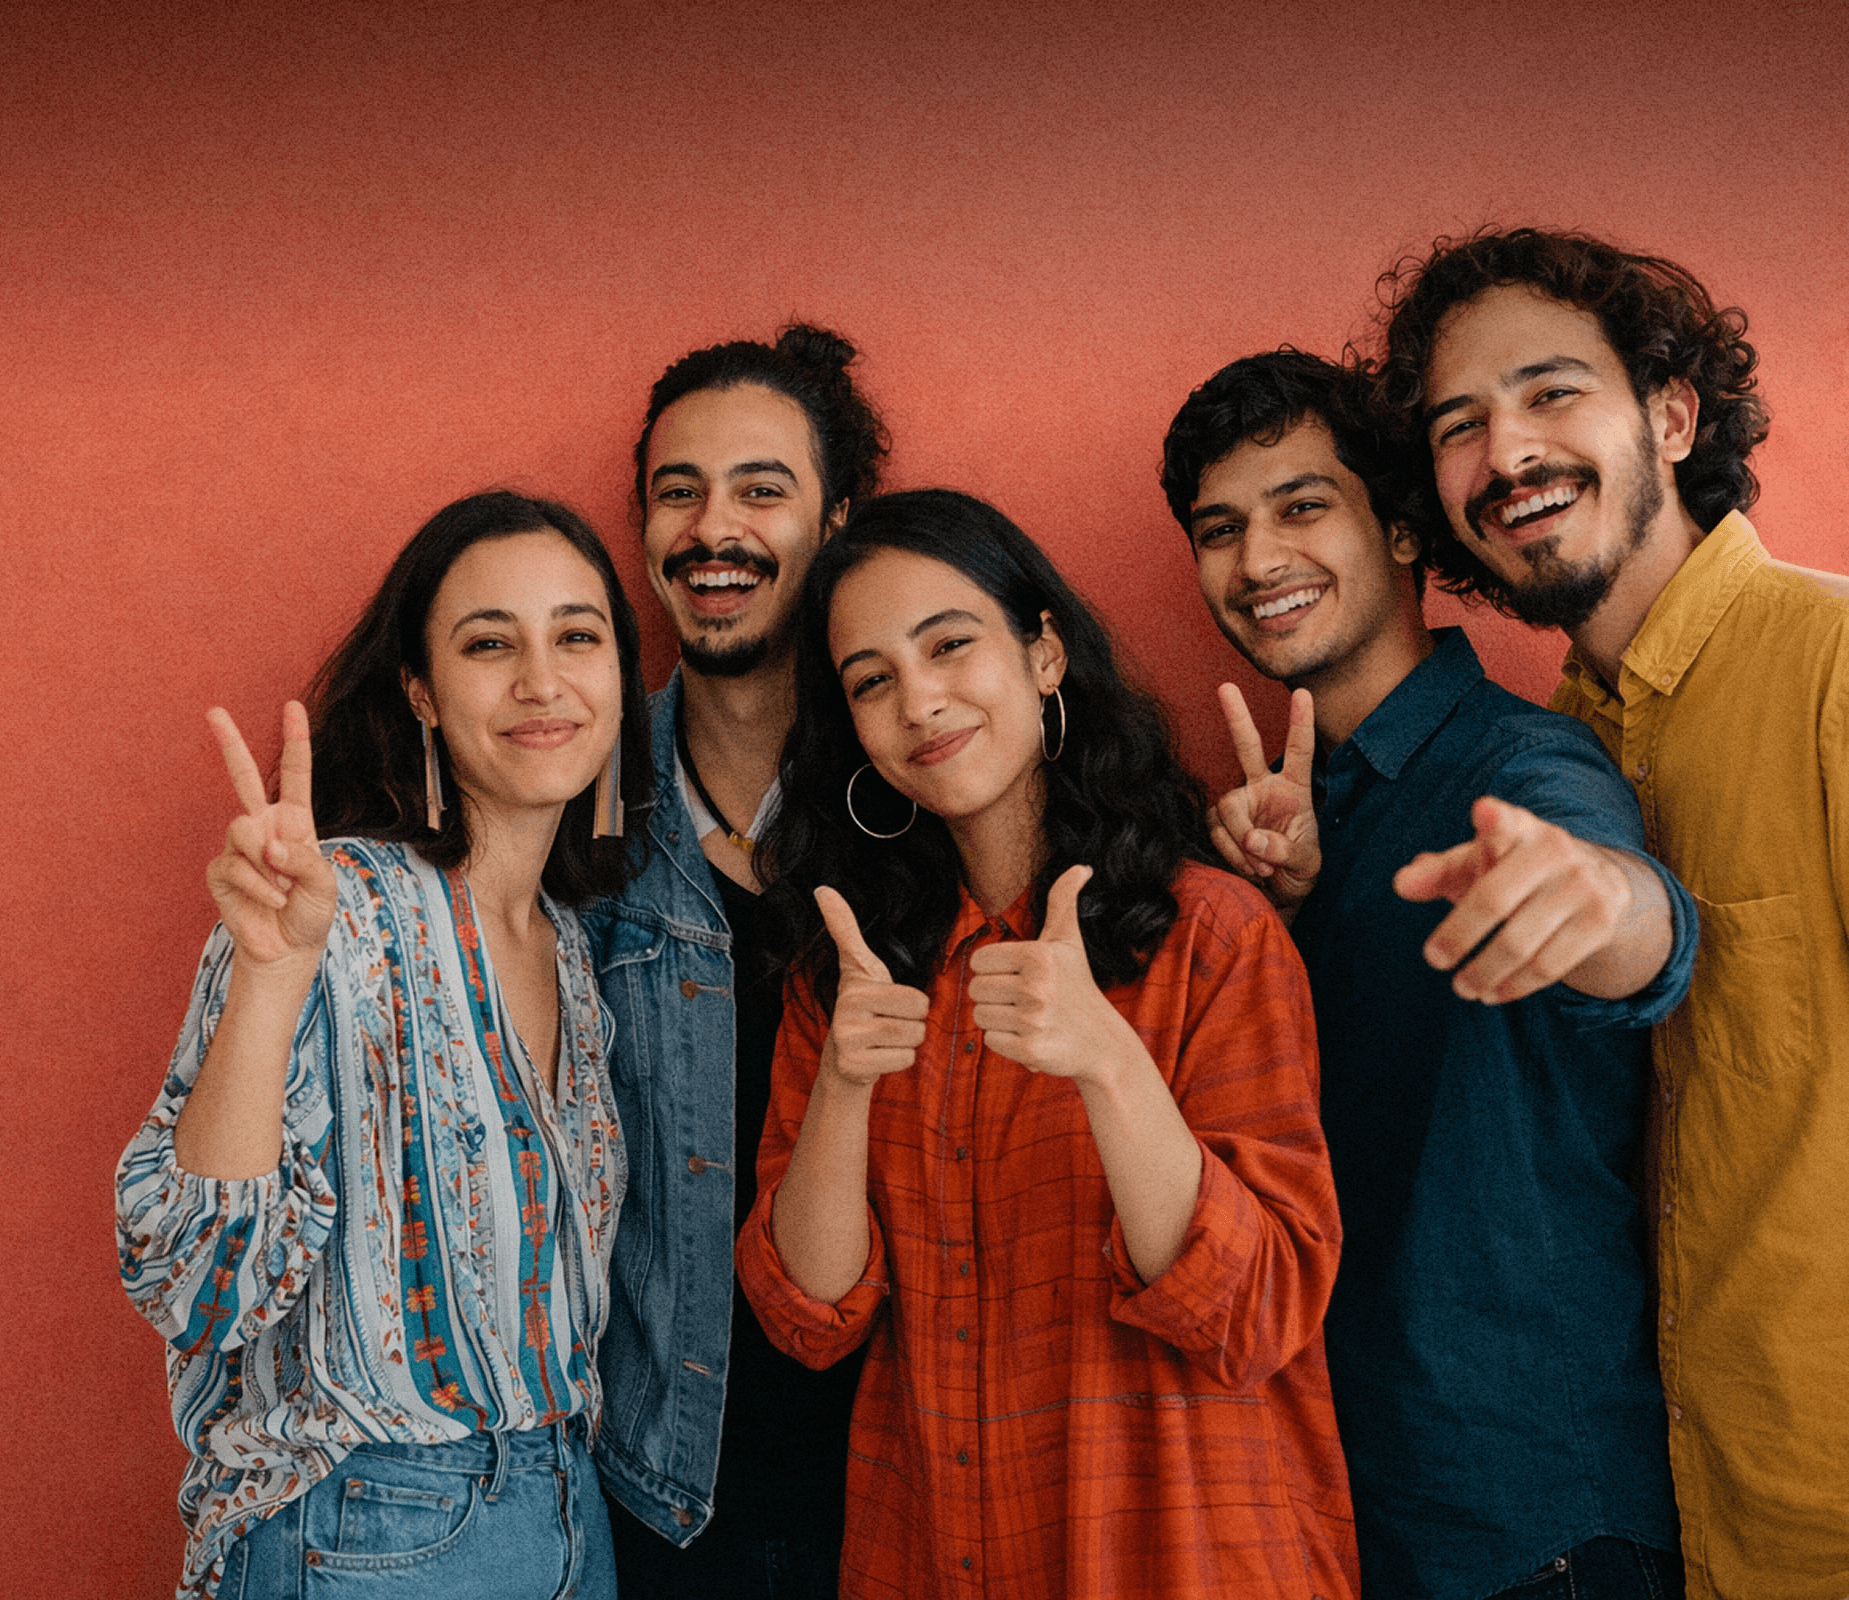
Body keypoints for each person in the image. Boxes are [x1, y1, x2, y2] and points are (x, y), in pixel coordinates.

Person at [736, 488, 1358, 1598]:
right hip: (935, 1551)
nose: (918, 701)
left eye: (949, 644)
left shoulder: (1212, 931)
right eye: (871, 679)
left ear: (1045, 653)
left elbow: (1258, 1309)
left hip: (1187, 1557)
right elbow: (810, 1318)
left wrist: (1110, 1061)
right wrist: (841, 1082)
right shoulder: (853, 970)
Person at [1163, 348, 1696, 1599]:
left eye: (1303, 507)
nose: (1257, 560)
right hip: (1356, 1513)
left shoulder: (1524, 763)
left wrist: (1598, 901)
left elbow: (1628, 916)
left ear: (1404, 527)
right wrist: (1283, 909)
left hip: (1537, 1522)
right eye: (1219, 528)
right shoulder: (1277, 826)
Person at [1379, 228, 1849, 1600]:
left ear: (1672, 414)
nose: (1505, 452)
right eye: (1457, 425)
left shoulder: (1827, 664)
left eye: (1548, 393)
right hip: (1695, 1516)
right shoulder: (1557, 750)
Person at [114, 490, 652, 1600]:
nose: (543, 681)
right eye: (489, 642)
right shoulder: (335, 909)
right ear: (421, 690)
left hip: (568, 1518)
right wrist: (269, 975)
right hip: (373, 1529)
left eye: (578, 636)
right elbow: (194, 1281)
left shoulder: (571, 951)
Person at [586, 324, 890, 1598]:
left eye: (763, 489)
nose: (716, 529)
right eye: (679, 491)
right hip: (661, 1508)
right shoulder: (577, 821)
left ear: (837, 519)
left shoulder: (933, 801)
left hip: (910, 1496)